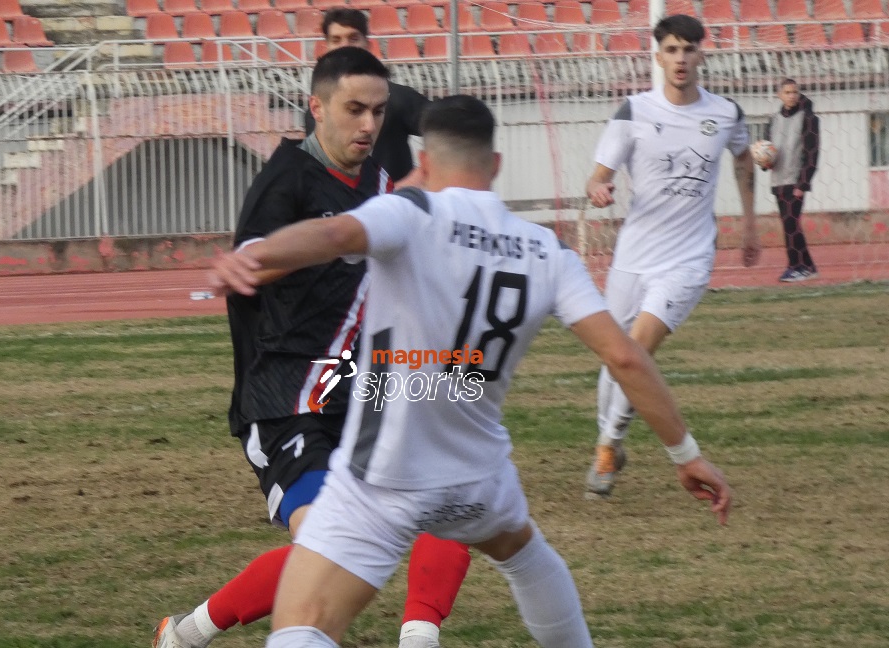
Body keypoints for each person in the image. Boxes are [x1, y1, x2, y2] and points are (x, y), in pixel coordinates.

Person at [209, 94, 734, 648]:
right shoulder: (546, 249)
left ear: (425, 163)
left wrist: (256, 255)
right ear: (497, 164)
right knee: (527, 557)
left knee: (302, 624)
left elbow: (335, 235)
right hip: (480, 475)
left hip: (386, 476)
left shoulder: (411, 213)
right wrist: (686, 453)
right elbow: (625, 356)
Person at [152, 47, 470, 648]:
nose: (369, 125)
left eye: (379, 111)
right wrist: (260, 261)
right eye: (355, 110)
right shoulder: (287, 180)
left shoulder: (376, 181)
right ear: (316, 108)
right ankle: (188, 633)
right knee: (329, 545)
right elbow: (256, 259)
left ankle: (419, 637)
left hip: (360, 385)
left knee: (455, 492)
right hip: (286, 396)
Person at [583, 14, 760, 498]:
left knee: (637, 348)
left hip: (688, 258)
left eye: (689, 49)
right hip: (634, 255)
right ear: (658, 56)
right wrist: (599, 189)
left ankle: (606, 446)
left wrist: (749, 223)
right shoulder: (633, 111)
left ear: (702, 53)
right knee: (616, 356)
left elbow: (743, 158)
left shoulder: (725, 113)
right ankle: (610, 440)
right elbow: (598, 175)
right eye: (672, 50)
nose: (681, 59)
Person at [304, 7, 430, 184]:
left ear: (368, 45)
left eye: (353, 38)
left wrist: (415, 178)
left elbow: (450, 131)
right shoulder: (316, 112)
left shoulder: (398, 98)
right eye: (336, 40)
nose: (345, 46)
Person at [763, 78, 820, 282]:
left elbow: (812, 153)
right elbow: (768, 150)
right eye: (787, 92)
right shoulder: (773, 120)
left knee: (791, 224)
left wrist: (803, 183)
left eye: (795, 92)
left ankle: (796, 266)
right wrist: (764, 161)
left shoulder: (808, 119)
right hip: (778, 180)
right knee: (789, 224)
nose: (791, 96)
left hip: (795, 180)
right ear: (779, 95)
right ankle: (808, 266)